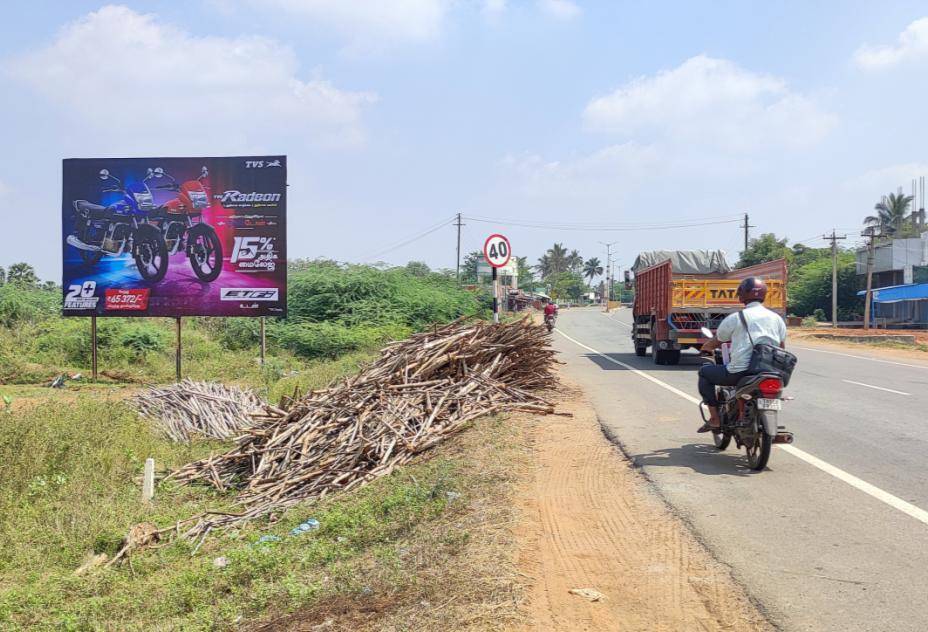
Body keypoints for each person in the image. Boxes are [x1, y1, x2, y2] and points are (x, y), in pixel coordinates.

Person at [696, 277, 787, 433]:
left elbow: (718, 340)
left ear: (742, 295)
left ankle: (715, 419)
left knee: (704, 373)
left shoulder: (736, 317)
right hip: (771, 371)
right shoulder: (777, 319)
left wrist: (706, 347)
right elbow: (781, 347)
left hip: (741, 371)